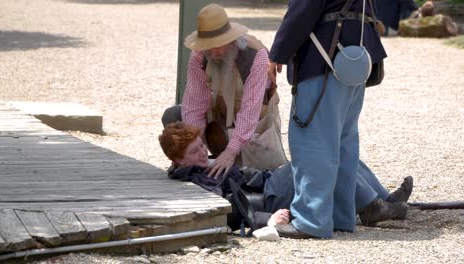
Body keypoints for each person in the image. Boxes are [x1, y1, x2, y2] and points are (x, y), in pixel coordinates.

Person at [268, 0, 388, 238]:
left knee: (313, 143)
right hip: (354, 56)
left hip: (325, 59)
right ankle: (340, 217)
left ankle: (311, 220)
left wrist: (278, 53)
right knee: (344, 143)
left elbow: (302, 10)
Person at [158, 122, 412, 231]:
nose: (203, 152)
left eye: (201, 145)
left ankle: (382, 198)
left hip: (270, 182)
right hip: (269, 196)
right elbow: (227, 208)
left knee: (341, 156)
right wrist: (266, 219)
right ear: (178, 160)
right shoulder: (197, 181)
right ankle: (371, 208)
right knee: (322, 157)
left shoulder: (200, 166)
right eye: (195, 151)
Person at [162, 4, 287, 178]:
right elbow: (195, 105)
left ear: (231, 40)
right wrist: (193, 147)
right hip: (222, 113)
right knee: (173, 116)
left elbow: (250, 112)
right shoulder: (199, 56)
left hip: (256, 120)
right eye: (208, 45)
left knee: (254, 176)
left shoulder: (256, 56)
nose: (213, 52)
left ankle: (235, 158)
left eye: (218, 45)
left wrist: (230, 152)